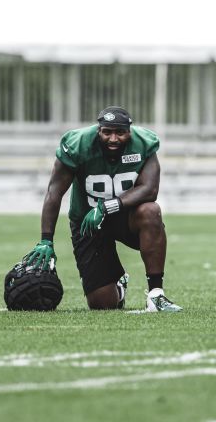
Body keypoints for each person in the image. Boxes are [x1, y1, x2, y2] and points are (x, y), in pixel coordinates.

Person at [24, 107, 182, 312]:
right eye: (107, 132)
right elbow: (54, 192)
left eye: (120, 132)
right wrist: (46, 239)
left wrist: (108, 206)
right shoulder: (77, 144)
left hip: (126, 218)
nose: (113, 138)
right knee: (102, 304)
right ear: (99, 130)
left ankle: (156, 295)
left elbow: (150, 190)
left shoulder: (143, 144)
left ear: (130, 131)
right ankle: (119, 282)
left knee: (151, 211)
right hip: (87, 223)